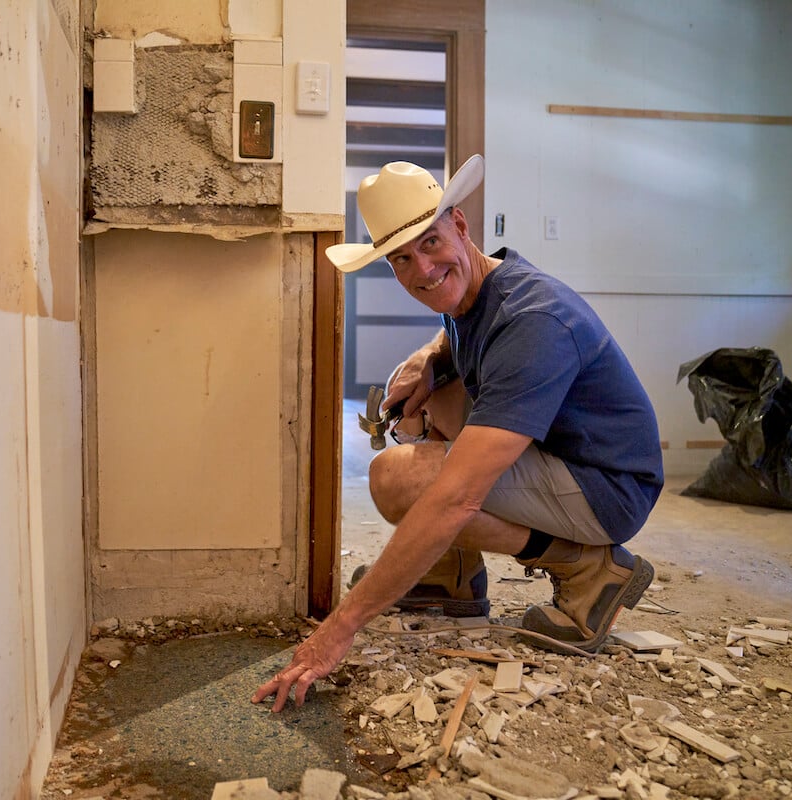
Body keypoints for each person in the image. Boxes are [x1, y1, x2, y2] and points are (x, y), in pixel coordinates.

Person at [252, 155, 664, 713]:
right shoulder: (477, 291)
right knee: (437, 397)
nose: (421, 270)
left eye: (430, 244)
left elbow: (457, 496)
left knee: (399, 480)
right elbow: (458, 337)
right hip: (563, 454)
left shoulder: (534, 320)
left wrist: (343, 624)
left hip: (609, 487)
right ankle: (450, 576)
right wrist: (427, 362)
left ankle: (586, 566)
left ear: (461, 226)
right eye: (400, 260)